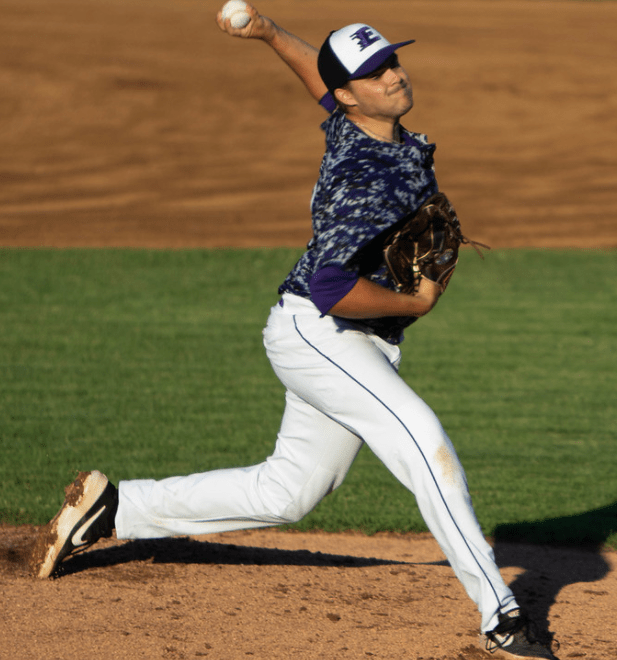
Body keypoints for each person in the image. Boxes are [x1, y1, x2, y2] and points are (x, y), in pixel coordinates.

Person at [31, 5, 558, 658]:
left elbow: (323, 81)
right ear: (353, 95)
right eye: (375, 72)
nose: (394, 75)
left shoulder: (356, 120)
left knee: (288, 492)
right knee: (426, 444)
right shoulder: (364, 175)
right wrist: (414, 304)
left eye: (392, 60)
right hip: (320, 331)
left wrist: (270, 34)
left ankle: (115, 510)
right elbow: (332, 287)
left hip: (347, 338)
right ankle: (501, 615)